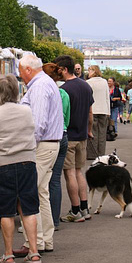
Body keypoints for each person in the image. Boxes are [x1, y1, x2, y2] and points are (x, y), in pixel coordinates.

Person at [0, 75, 41, 263]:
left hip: (1, 165)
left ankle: (8, 254)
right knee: (28, 209)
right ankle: (34, 252)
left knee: (5, 211)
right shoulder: (27, 111)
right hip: (27, 163)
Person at [15, 53, 62, 256]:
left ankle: (33, 242)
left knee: (29, 193)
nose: (20, 76)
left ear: (28, 69)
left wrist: (29, 146)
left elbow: (39, 121)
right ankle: (44, 240)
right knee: (41, 193)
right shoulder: (43, 83)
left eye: (20, 72)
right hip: (48, 145)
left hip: (42, 145)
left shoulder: (40, 85)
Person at [55, 55, 94, 223]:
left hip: (69, 136)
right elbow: (90, 114)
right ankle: (85, 207)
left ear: (64, 69)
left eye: (58, 70)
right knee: (79, 171)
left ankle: (75, 209)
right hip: (82, 135)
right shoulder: (86, 86)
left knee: (69, 173)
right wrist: (89, 130)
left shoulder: (64, 90)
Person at [42, 63, 70, 231]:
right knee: (56, 180)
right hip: (63, 134)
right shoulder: (64, 93)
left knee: (42, 182)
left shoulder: (46, 91)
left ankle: (44, 221)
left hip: (49, 138)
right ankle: (54, 219)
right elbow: (67, 117)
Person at [86, 65, 110, 160]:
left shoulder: (88, 83)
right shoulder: (104, 82)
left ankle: (92, 154)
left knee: (92, 132)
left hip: (93, 110)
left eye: (89, 70)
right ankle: (101, 153)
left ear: (93, 71)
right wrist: (108, 112)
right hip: (103, 110)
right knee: (102, 133)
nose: (88, 73)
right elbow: (107, 97)